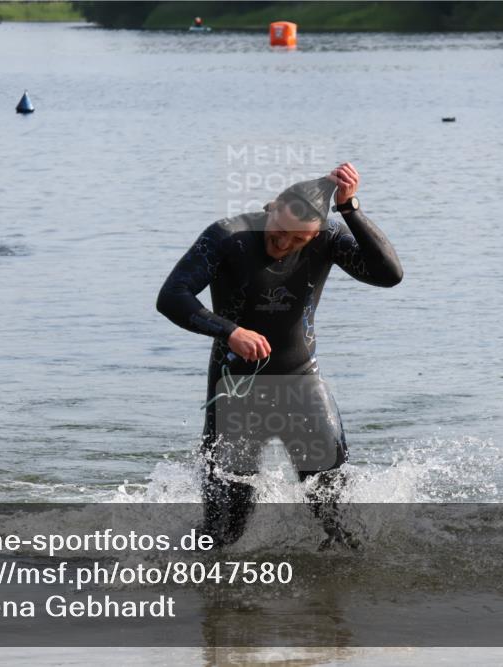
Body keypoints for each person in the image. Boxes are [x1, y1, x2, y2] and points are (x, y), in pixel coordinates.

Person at [156, 163, 402, 547]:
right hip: (235, 393)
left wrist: (349, 209)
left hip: (302, 385)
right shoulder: (228, 236)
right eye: (279, 233)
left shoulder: (329, 237)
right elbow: (171, 297)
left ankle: (333, 600)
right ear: (271, 208)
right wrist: (230, 331)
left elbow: (389, 274)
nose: (283, 244)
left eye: (297, 240)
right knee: (223, 533)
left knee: (339, 521)